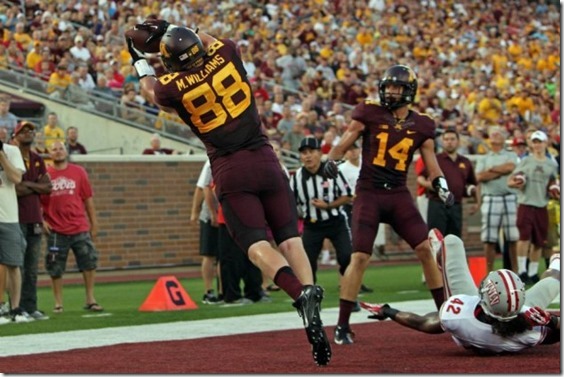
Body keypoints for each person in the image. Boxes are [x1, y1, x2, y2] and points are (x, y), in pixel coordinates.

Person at [128, 19, 331, 365]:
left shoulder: (170, 88)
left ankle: (300, 295)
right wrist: (172, 27)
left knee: (255, 245)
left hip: (230, 167)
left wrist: (137, 56)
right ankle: (313, 309)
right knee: (290, 239)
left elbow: (150, 88)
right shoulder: (229, 53)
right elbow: (207, 40)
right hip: (267, 159)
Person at [324, 64, 454, 345]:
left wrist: (442, 186)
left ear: (410, 91)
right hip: (369, 192)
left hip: (397, 194)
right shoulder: (368, 112)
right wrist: (332, 160)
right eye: (389, 86)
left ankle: (446, 313)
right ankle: (342, 324)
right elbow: (345, 141)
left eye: (397, 87)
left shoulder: (422, 124)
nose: (392, 91)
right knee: (360, 256)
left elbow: (432, 164)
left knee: (424, 249)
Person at [360, 230, 560, 355]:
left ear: (483, 299)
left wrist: (387, 311)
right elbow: (553, 338)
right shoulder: (529, 332)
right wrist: (551, 321)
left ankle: (441, 254)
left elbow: (426, 323)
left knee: (452, 241)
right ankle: (558, 262)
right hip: (509, 318)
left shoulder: (459, 316)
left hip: (476, 320)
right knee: (554, 281)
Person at [40, 141, 103, 314]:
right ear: (49, 153)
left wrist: (94, 224)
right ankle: (58, 303)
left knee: (89, 262)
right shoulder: (44, 174)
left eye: (61, 149)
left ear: (66, 152)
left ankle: (90, 299)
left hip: (79, 227)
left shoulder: (79, 172)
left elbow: (88, 199)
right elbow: (36, 201)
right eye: (54, 149)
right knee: (55, 266)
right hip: (55, 231)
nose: (58, 152)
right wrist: (41, 220)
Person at [289, 136, 353, 283]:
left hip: (336, 222)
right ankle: (312, 296)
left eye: (311, 151)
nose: (308, 156)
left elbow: (348, 195)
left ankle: (348, 293)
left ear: (319, 153)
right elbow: (290, 203)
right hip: (312, 225)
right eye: (304, 153)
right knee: (307, 264)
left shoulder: (331, 170)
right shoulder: (297, 178)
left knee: (347, 257)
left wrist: (328, 206)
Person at [507, 130, 559, 284]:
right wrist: (517, 182)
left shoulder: (551, 164)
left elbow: (553, 184)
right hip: (526, 203)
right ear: (532, 144)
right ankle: (522, 271)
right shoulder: (526, 160)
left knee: (538, 241)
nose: (537, 145)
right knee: (523, 238)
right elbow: (510, 181)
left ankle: (533, 272)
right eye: (534, 142)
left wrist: (554, 190)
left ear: (545, 143)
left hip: (542, 204)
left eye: (539, 142)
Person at [14, 121, 52, 320]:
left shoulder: (37, 158)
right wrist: (35, 184)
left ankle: (31, 306)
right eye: (23, 131)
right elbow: (16, 189)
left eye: (30, 131)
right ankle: (16, 307)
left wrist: (28, 185)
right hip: (15, 218)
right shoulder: (11, 156)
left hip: (35, 218)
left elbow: (48, 187)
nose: (28, 134)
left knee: (32, 268)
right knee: (17, 266)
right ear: (16, 136)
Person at [417, 129, 480, 237]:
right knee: (436, 240)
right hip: (437, 204)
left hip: (456, 205)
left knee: (455, 240)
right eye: (446, 139)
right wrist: (430, 185)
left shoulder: (465, 162)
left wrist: (477, 203)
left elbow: (473, 184)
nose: (449, 142)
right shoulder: (435, 159)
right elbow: (420, 178)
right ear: (442, 142)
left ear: (458, 141)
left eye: (452, 139)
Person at [475, 128, 519, 273]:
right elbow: (480, 177)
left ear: (504, 138)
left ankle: (515, 271)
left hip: (510, 197)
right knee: (489, 238)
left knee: (513, 237)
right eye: (492, 133)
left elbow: (511, 167)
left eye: (498, 133)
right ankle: (489, 273)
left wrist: (491, 169)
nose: (495, 134)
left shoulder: (511, 155)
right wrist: (501, 171)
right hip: (490, 198)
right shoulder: (483, 158)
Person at [0, 136, 32, 323]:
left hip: (8, 217)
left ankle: (16, 308)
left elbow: (16, 178)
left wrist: (2, 156)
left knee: (13, 264)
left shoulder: (12, 151)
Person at [190, 158, 221, 304]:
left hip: (225, 214)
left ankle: (223, 289)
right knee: (209, 254)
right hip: (210, 215)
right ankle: (208, 290)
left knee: (224, 256)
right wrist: (195, 212)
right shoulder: (211, 163)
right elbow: (202, 187)